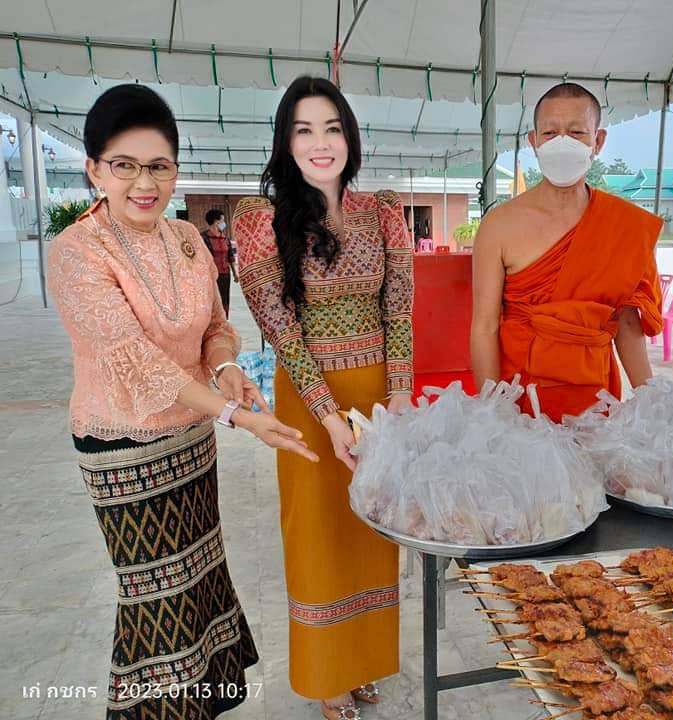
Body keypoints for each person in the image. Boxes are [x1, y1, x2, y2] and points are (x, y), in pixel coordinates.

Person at [47, 84, 318, 719]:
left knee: (197, 584)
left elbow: (216, 326)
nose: (145, 183)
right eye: (125, 165)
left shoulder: (188, 240)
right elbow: (133, 361)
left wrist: (227, 368)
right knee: (155, 600)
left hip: (191, 442)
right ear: (94, 169)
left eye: (160, 166)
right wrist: (237, 414)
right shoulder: (76, 252)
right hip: (124, 446)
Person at [233, 75, 413, 720]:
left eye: (332, 128)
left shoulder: (383, 210)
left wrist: (398, 398)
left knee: (373, 529)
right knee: (318, 534)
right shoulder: (259, 220)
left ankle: (362, 662)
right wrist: (330, 416)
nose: (320, 143)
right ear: (285, 142)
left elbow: (399, 312)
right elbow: (283, 333)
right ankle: (328, 679)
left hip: (377, 397)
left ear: (349, 137)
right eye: (303, 129)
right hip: (310, 404)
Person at [470, 82, 663, 422]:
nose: (562, 142)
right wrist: (493, 414)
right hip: (521, 405)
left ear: (597, 141)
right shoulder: (498, 225)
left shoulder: (624, 225)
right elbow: (484, 326)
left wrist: (652, 401)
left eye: (576, 132)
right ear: (534, 141)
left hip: (595, 401)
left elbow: (627, 322)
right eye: (550, 132)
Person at [200, 208, 239, 316]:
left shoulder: (225, 238)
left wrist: (235, 273)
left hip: (225, 274)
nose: (224, 223)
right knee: (212, 299)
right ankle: (212, 320)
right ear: (216, 222)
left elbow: (230, 256)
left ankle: (224, 319)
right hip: (211, 276)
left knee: (224, 298)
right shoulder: (203, 238)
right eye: (222, 220)